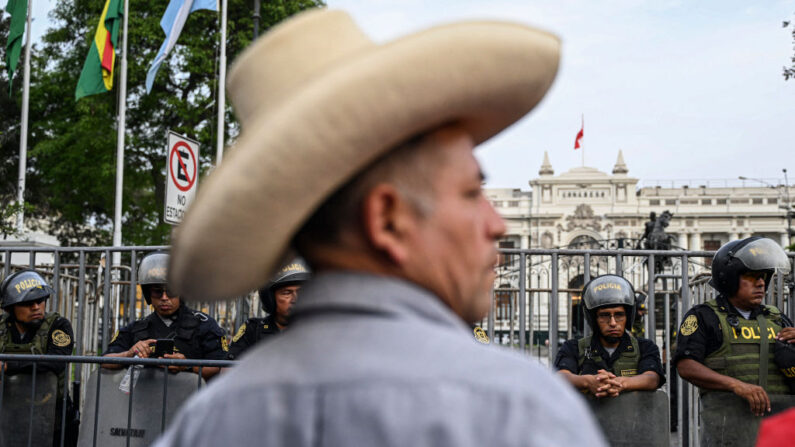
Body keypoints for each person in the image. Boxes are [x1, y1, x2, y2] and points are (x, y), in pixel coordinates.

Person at [155, 8, 606, 447]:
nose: (496, 223)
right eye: (471, 194)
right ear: (387, 220)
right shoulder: (519, 409)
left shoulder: (209, 421)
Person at [675, 236, 795, 416]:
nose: (761, 283)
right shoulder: (704, 316)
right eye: (751, 276)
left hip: (777, 424)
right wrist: (736, 385)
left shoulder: (776, 318)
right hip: (728, 424)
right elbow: (686, 366)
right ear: (729, 278)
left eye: (763, 277)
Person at [102, 252, 228, 380]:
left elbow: (221, 366)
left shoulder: (204, 324)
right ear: (148, 294)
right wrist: (128, 355)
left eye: (171, 291)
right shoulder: (137, 327)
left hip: (191, 397)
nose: (164, 298)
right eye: (157, 291)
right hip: (145, 397)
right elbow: (105, 360)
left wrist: (188, 366)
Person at [0, 269, 79, 446]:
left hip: (52, 418)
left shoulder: (58, 325)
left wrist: (8, 365)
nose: (36, 307)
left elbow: (55, 362)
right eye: (28, 303)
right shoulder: (1, 327)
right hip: (8, 415)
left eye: (40, 300)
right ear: (10, 308)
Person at [555, 275, 664, 397]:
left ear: (627, 317)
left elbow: (652, 378)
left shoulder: (644, 347)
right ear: (594, 319)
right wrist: (588, 382)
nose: (612, 323)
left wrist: (622, 383)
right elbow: (560, 376)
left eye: (619, 315)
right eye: (604, 315)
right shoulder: (574, 348)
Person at [227, 259, 311, 360]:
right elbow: (227, 368)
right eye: (287, 293)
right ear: (270, 298)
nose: (295, 299)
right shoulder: (253, 330)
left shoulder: (319, 329)